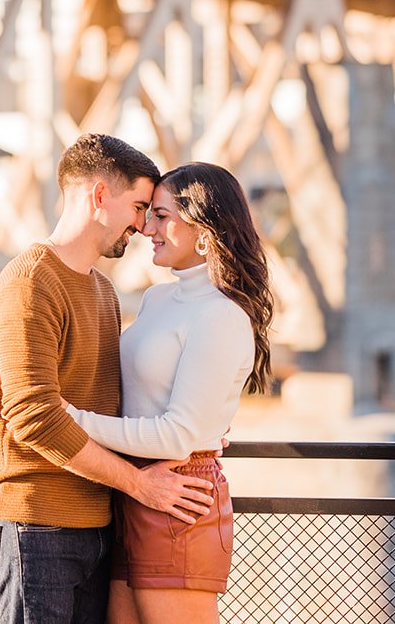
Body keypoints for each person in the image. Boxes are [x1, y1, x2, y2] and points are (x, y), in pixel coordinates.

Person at [0, 135, 218, 624]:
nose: (145, 225)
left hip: (95, 525)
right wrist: (140, 486)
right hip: (32, 526)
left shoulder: (102, 291)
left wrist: (200, 422)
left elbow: (111, 402)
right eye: (140, 206)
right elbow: (34, 417)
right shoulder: (30, 282)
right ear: (100, 196)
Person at [64, 161, 275, 624]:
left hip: (178, 497)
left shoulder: (220, 316)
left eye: (161, 216)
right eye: (147, 214)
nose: (145, 228)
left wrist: (70, 422)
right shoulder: (158, 300)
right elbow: (144, 396)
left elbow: (179, 436)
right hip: (128, 488)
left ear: (203, 228)